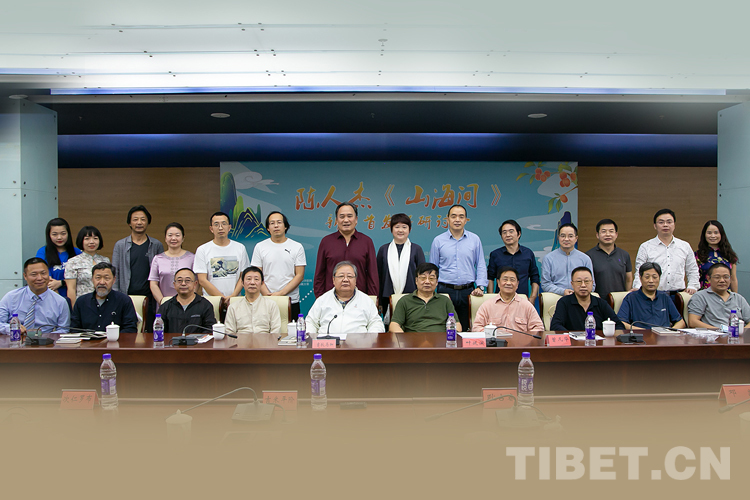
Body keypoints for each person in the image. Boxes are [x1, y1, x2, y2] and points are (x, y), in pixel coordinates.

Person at [430, 204, 488, 330]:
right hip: (445, 291)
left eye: (461, 217)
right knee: (443, 327)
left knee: (466, 327)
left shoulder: (475, 239)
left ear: (466, 220)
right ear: (447, 219)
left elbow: (481, 264)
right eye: (454, 216)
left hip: (468, 291)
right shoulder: (438, 241)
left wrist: (480, 286)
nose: (457, 220)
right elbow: (433, 268)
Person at [111, 205, 164, 331]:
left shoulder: (156, 245)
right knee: (128, 330)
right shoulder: (120, 245)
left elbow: (160, 273)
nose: (139, 222)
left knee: (150, 331)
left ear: (148, 222)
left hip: (150, 298)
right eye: (135, 219)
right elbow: (115, 272)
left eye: (143, 219)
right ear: (129, 223)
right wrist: (117, 297)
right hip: (127, 297)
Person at [314, 202, 378, 298]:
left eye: (349, 216)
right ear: (336, 220)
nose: (346, 220)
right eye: (342, 216)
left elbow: (372, 274)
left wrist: (372, 298)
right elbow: (319, 274)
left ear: (356, 219)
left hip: (360, 298)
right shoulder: (326, 242)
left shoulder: (366, 241)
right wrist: (321, 298)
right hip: (331, 298)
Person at [250, 211, 306, 318]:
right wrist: (268, 295)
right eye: (272, 223)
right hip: (265, 299)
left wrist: (280, 294)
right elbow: (256, 275)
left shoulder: (297, 247)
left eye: (279, 222)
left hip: (290, 300)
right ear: (268, 228)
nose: (276, 226)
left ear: (285, 226)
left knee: (290, 328)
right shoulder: (260, 247)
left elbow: (299, 275)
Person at [633, 209, 699, 298]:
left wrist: (692, 286)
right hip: (653, 294)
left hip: (678, 295)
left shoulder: (684, 246)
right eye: (661, 222)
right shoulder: (645, 246)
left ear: (674, 225)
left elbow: (692, 269)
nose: (665, 225)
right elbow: (639, 271)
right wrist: (638, 287)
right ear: (655, 226)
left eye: (669, 222)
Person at [306, 261, 385, 336]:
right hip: (328, 343)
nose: (345, 280)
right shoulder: (322, 300)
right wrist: (311, 338)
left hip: (358, 344)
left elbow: (376, 323)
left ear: (355, 280)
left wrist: (370, 339)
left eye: (350, 276)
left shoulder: (366, 301)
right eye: (341, 276)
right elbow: (310, 322)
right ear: (333, 280)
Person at [0, 258, 69, 335]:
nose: (40, 278)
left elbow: (64, 330)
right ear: (25, 276)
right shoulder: (11, 297)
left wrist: (46, 337)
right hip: (16, 338)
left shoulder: (60, 301)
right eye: (34, 274)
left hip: (46, 339)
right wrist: (11, 328)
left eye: (43, 273)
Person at [193, 212, 249, 306]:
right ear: (211, 229)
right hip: (211, 302)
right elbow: (202, 280)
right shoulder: (202, 250)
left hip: (235, 301)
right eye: (216, 224)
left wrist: (233, 296)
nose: (220, 227)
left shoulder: (240, 248)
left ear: (229, 227)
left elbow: (243, 276)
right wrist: (222, 298)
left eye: (224, 224)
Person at [376, 213, 426, 320]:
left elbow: (422, 276)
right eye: (397, 227)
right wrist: (379, 301)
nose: (400, 230)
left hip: (412, 297)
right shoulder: (383, 249)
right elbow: (378, 276)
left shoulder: (416, 249)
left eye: (404, 227)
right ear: (391, 229)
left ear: (409, 229)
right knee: (390, 327)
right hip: (387, 298)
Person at [389, 262, 459, 333]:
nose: (427, 282)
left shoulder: (445, 300)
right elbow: (394, 325)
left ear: (437, 282)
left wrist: (450, 336)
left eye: (431, 278)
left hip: (440, 338)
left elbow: (457, 324)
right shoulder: (405, 300)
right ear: (416, 281)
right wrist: (404, 338)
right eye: (423, 278)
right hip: (413, 339)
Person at [550, 267, 624, 331]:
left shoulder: (601, 303)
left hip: (597, 341)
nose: (583, 285)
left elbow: (619, 326)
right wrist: (571, 336)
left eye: (587, 281)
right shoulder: (564, 302)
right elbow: (555, 326)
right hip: (572, 341)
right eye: (579, 282)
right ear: (572, 284)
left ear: (592, 283)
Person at [472, 267, 544, 333]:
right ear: (498, 283)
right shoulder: (487, 305)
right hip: (495, 342)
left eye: (512, 280)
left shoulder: (526, 306)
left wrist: (525, 339)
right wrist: (493, 334)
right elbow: (476, 328)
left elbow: (539, 328)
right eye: (505, 279)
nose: (509, 283)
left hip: (520, 343)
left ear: (517, 284)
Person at [70, 262, 138, 332]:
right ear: (92, 279)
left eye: (106, 278)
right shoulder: (81, 302)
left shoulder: (124, 300)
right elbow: (74, 329)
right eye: (98, 278)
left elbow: (130, 329)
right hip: (87, 339)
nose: (102, 282)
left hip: (115, 339)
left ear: (114, 280)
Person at [617, 262, 685, 330]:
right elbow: (621, 322)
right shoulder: (631, 298)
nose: (651, 281)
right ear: (640, 278)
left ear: (659, 278)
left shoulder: (665, 297)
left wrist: (669, 332)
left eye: (654, 277)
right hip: (641, 335)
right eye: (647, 277)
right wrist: (644, 332)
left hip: (663, 335)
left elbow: (680, 322)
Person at [487, 219, 540, 304]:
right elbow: (490, 278)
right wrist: (491, 298)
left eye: (511, 231)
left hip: (523, 301)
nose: (508, 235)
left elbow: (535, 278)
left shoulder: (528, 253)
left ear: (519, 234)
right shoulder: (495, 255)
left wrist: (532, 298)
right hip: (500, 301)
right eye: (504, 232)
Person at [687, 263, 750, 329]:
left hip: (736, 333)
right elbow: (692, 322)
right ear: (708, 279)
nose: (722, 280)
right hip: (713, 333)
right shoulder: (700, 296)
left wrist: (742, 332)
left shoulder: (738, 298)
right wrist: (720, 330)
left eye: (726, 277)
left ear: (730, 279)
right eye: (717, 277)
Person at [149, 222, 196, 306]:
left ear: (183, 238)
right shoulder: (157, 259)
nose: (173, 238)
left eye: (177, 235)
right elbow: (153, 284)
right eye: (170, 235)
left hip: (187, 304)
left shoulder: (192, 258)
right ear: (165, 238)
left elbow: (196, 282)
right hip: (163, 304)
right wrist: (163, 302)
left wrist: (190, 301)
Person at [158, 268, 217, 334]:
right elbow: (159, 330)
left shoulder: (205, 305)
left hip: (198, 340)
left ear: (195, 284)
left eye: (187, 281)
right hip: (172, 340)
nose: (183, 284)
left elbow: (210, 330)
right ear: (174, 284)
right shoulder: (165, 306)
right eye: (179, 281)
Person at [541, 223, 594, 296]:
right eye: (563, 236)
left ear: (576, 238)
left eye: (570, 236)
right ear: (558, 237)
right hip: (557, 296)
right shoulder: (548, 258)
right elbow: (545, 284)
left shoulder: (585, 259)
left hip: (580, 297)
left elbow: (591, 284)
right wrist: (562, 291)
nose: (566, 239)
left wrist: (578, 293)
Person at [585, 219, 633, 300]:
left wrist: (627, 297)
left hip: (619, 300)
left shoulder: (624, 255)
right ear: (597, 235)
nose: (608, 234)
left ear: (616, 234)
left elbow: (628, 279)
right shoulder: (588, 256)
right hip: (597, 300)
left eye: (611, 231)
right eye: (603, 231)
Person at [225, 266, 281, 335]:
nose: (252, 282)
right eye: (248, 279)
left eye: (256, 279)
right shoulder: (233, 307)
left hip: (265, 340)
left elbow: (276, 331)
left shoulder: (271, 305)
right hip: (241, 341)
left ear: (262, 283)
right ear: (242, 283)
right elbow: (229, 332)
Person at [35, 218, 81, 298]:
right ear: (49, 235)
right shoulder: (42, 252)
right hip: (51, 297)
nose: (59, 237)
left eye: (63, 234)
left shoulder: (77, 252)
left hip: (75, 297)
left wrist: (61, 283)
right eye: (54, 234)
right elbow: (44, 277)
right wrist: (59, 300)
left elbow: (82, 277)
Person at [64, 226, 110, 306]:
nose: (92, 242)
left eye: (95, 238)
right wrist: (74, 308)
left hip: (104, 303)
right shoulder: (73, 262)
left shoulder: (105, 260)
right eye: (87, 239)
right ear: (81, 241)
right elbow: (71, 289)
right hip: (83, 304)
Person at [695, 220, 739, 292]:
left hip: (725, 295)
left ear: (721, 234)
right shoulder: (697, 255)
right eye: (709, 233)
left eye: (716, 233)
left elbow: (733, 279)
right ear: (704, 235)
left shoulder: (729, 255)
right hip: (704, 295)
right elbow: (694, 278)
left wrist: (735, 296)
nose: (713, 236)